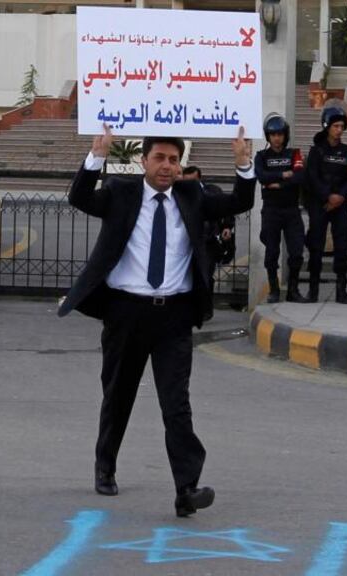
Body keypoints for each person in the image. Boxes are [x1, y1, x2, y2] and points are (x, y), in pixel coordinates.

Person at [58, 125, 255, 517]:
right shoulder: (120, 193)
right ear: (143, 161)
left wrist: (243, 163)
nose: (167, 167)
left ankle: (187, 487)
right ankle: (105, 465)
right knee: (118, 395)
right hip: (126, 312)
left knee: (176, 404)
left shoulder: (193, 195)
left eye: (173, 160)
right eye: (159, 158)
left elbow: (240, 202)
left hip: (174, 315)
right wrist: (96, 155)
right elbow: (79, 197)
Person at [306, 106, 347, 304]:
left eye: (341, 126)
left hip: (341, 205)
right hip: (320, 204)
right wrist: (328, 196)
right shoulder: (316, 151)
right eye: (335, 126)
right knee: (316, 246)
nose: (339, 130)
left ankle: (341, 291)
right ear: (327, 127)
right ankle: (313, 290)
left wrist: (340, 198)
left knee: (342, 247)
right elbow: (312, 177)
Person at [254, 113, 308, 304]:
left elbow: (300, 177)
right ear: (268, 136)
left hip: (291, 210)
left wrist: (279, 182)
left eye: (280, 134)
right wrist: (284, 174)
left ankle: (293, 290)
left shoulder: (294, 154)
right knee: (271, 252)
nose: (276, 138)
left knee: (296, 252)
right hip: (271, 211)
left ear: (285, 135)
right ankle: (274, 290)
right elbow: (261, 176)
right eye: (272, 134)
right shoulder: (261, 156)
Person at [181, 166, 235, 307]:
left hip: (208, 240)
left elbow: (225, 209)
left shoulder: (212, 191)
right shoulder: (179, 192)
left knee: (205, 274)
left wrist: (227, 227)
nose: (188, 184)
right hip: (187, 241)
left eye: (192, 180)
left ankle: (205, 307)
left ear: (199, 178)